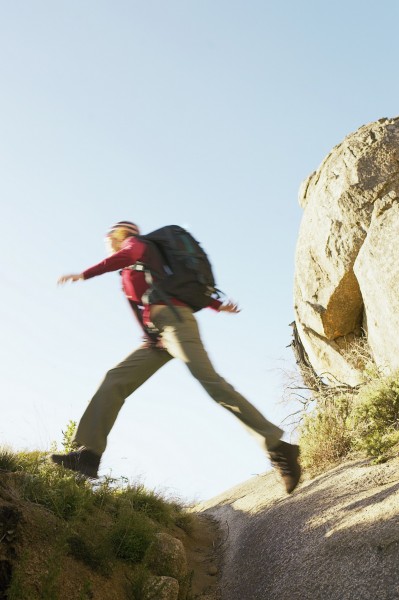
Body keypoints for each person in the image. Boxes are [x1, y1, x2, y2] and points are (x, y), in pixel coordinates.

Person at [51, 221, 301, 493]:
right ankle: (87, 456)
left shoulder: (136, 245)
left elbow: (150, 272)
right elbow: (154, 297)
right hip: (158, 337)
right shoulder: (128, 273)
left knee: (212, 384)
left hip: (176, 324)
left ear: (121, 233)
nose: (106, 239)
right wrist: (152, 336)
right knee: (115, 379)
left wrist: (85, 275)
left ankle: (278, 447)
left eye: (109, 234)